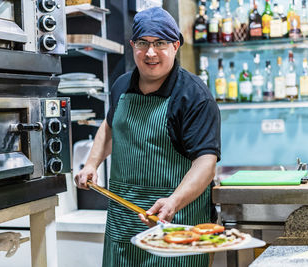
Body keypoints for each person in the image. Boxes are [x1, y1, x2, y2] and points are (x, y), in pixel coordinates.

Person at [74, 6, 221, 267]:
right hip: (123, 226)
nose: (150, 53)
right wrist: (91, 164)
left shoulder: (193, 95)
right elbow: (109, 128)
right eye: (143, 43)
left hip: (175, 225)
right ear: (133, 45)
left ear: (175, 46)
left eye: (160, 43)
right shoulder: (121, 85)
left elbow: (206, 163)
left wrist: (174, 201)